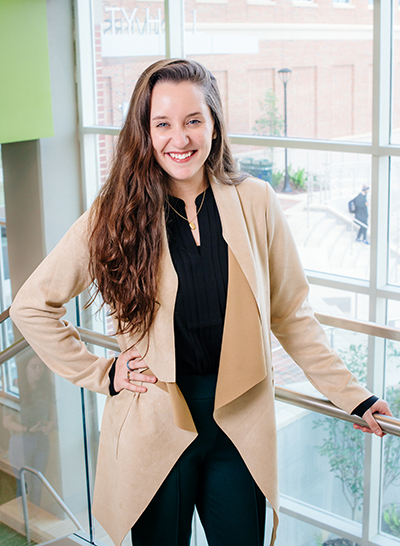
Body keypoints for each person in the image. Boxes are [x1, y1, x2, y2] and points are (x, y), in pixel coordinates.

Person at [10, 59, 392, 546]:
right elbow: (31, 306)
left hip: (239, 423)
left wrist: (353, 396)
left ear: (214, 123)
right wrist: (100, 373)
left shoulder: (257, 201)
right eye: (162, 124)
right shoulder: (115, 213)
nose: (180, 138)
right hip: (156, 422)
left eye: (193, 121)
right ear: (144, 133)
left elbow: (291, 315)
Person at [3, 354, 54, 505]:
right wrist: (28, 429)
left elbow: (52, 411)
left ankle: (35, 516)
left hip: (41, 440)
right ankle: (24, 520)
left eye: (41, 367)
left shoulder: (46, 388)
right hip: (21, 441)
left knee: (38, 484)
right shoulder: (16, 389)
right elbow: (6, 422)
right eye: (33, 367)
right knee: (24, 484)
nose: (38, 371)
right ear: (25, 369)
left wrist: (51, 424)